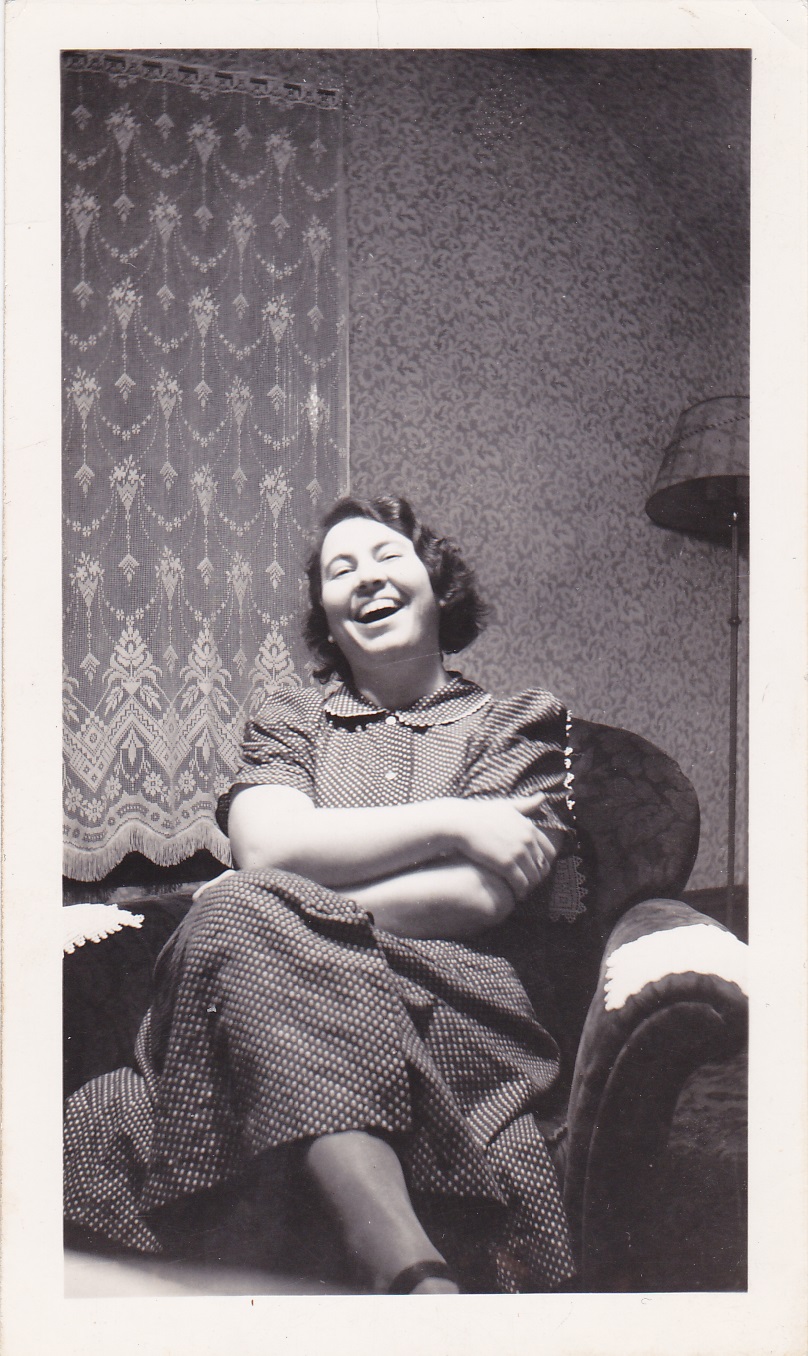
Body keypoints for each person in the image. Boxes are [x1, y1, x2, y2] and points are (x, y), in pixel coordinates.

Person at [64, 494, 582, 1294]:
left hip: (439, 1004)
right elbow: (269, 845)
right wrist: (455, 820)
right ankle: (409, 1274)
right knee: (110, 1103)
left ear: (438, 586)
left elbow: (479, 896)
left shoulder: (514, 722)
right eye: (341, 570)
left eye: (387, 557)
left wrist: (276, 905)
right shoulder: (292, 720)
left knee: (239, 905)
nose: (365, 578)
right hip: (250, 1001)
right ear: (327, 620)